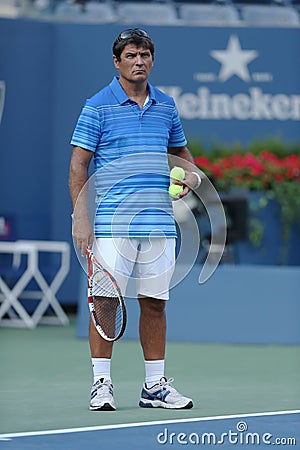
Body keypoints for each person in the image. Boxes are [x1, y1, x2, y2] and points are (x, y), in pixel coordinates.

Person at [69, 28, 201, 411]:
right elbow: (79, 163)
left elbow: (182, 153)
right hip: (111, 223)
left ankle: (154, 386)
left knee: (155, 304)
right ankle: (101, 383)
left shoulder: (167, 105)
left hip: (158, 224)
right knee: (106, 303)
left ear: (152, 60)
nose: (138, 61)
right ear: (117, 62)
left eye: (144, 55)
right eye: (131, 55)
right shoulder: (97, 105)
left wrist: (190, 176)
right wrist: (82, 217)